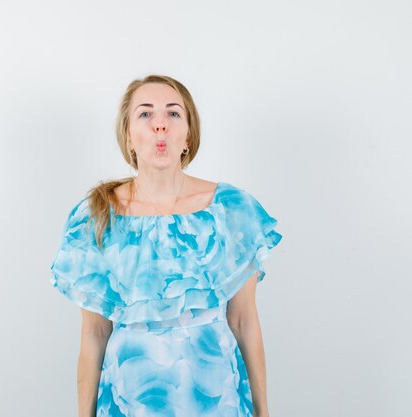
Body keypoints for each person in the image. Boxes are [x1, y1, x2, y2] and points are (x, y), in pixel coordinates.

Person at [50, 74, 282, 417]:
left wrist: (264, 412)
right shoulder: (97, 216)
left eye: (173, 114)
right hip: (130, 400)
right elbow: (95, 332)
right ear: (129, 136)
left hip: (216, 398)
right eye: (145, 114)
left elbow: (244, 320)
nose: (160, 125)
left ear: (188, 135)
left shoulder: (230, 210)